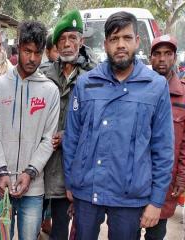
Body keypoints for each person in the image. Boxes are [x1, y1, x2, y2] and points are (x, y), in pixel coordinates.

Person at [63, 11, 174, 239]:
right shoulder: (86, 84)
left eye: (126, 38)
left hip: (129, 196)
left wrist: (156, 201)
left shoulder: (155, 86)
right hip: (87, 190)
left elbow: (163, 149)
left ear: (137, 41)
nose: (120, 45)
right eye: (114, 39)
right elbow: (72, 137)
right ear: (105, 44)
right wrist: (71, 182)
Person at [0, 20, 60, 240]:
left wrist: (30, 173)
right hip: (0, 186)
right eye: (27, 51)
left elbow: (48, 139)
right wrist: (2, 171)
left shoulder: (50, 91)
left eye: (38, 52)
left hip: (33, 189)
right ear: (18, 47)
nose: (33, 58)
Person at [43, 10, 97, 240]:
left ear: (81, 41)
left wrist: (69, 136)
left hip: (72, 170)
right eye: (62, 39)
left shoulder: (94, 79)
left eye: (72, 38)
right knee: (34, 224)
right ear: (56, 44)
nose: (67, 44)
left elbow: (98, 124)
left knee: (62, 229)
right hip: (42, 166)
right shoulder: (43, 75)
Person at [137, 35, 185, 240]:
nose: (162, 59)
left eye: (168, 54)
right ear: (150, 57)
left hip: (165, 179)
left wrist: (182, 176)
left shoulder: (183, 95)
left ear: (174, 57)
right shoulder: (137, 89)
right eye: (157, 54)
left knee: (156, 233)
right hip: (135, 178)